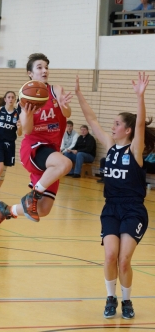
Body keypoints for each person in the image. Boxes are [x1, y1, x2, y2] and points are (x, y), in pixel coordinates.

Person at [75, 72, 155, 319]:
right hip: (111, 208)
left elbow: (140, 124)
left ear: (127, 129)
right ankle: (111, 297)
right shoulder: (110, 146)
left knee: (123, 259)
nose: (113, 125)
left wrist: (140, 96)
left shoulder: (134, 150)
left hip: (133, 209)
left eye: (118, 123)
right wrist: (79, 95)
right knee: (110, 256)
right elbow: (92, 119)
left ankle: (127, 301)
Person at [0, 52, 73, 233]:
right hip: (35, 148)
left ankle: (5, 211)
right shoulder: (24, 100)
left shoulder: (55, 89)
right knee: (66, 163)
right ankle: (32, 196)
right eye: (40, 67)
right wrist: (26, 113)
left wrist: (64, 105)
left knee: (43, 209)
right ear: (30, 73)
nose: (44, 71)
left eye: (46, 67)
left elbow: (67, 115)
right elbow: (26, 131)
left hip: (52, 152)